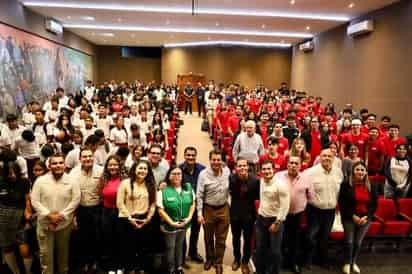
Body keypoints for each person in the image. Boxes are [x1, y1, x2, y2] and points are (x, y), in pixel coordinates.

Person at [30, 153, 81, 274]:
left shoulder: (72, 181)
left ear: (64, 165)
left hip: (64, 225)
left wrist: (61, 216)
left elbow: (76, 199)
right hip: (45, 225)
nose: (58, 165)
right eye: (54, 163)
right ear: (49, 166)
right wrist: (49, 215)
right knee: (46, 257)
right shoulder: (40, 181)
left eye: (60, 163)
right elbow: (35, 200)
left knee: (63, 255)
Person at [304, 149, 343, 268]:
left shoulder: (338, 172)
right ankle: (307, 259)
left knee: (324, 237)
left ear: (334, 158)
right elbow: (303, 191)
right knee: (310, 236)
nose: (327, 158)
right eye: (324, 156)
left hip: (330, 210)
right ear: (319, 157)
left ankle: (322, 260)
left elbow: (339, 191)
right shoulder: (310, 172)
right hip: (314, 210)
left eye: (329, 156)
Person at [116, 160, 157, 273]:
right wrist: (130, 218)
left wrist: (148, 218)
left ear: (148, 171)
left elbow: (153, 204)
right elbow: (120, 203)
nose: (142, 171)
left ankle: (140, 268)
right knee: (128, 247)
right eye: (140, 168)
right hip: (127, 219)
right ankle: (128, 268)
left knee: (143, 247)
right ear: (134, 169)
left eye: (145, 169)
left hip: (144, 220)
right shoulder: (125, 183)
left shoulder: (151, 185)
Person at [338, 161, 378, 274]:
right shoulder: (346, 185)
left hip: (365, 218)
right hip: (349, 217)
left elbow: (374, 204)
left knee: (357, 242)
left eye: (362, 170)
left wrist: (367, 216)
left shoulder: (371, 185)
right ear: (353, 171)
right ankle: (346, 263)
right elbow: (342, 203)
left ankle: (353, 262)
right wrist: (353, 216)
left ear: (365, 172)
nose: (360, 172)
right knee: (349, 241)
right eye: (357, 169)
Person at [69, 148, 103, 273]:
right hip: (81, 209)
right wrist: (73, 216)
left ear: (94, 157)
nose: (88, 158)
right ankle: (84, 263)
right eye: (85, 156)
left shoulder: (101, 171)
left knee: (97, 237)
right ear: (80, 159)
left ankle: (95, 262)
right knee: (82, 238)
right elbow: (70, 195)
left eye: (90, 156)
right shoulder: (73, 173)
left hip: (97, 208)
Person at [197, 149, 230, 274]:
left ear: (222, 161)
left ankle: (219, 262)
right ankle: (209, 259)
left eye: (218, 160)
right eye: (213, 160)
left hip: (223, 208)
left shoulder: (227, 171)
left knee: (221, 238)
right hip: (208, 209)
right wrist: (199, 214)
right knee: (208, 237)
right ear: (210, 160)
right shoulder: (203, 174)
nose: (216, 162)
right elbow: (199, 195)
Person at [157, 166, 196, 274]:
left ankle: (178, 267)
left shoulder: (188, 187)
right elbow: (160, 210)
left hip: (184, 225)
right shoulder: (163, 190)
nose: (177, 176)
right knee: (170, 248)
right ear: (168, 176)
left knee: (179, 246)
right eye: (173, 174)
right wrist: (172, 223)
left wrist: (189, 218)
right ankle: (171, 269)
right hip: (169, 226)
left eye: (179, 174)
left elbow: (193, 203)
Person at [278, 156, 313, 274]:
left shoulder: (306, 178)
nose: (293, 165)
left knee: (295, 240)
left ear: (300, 165)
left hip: (297, 215)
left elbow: (310, 195)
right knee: (282, 238)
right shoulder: (279, 176)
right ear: (287, 164)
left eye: (296, 163)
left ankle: (293, 263)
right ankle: (282, 262)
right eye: (291, 163)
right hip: (282, 214)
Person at [255, 160, 290, 274]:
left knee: (275, 251)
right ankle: (260, 271)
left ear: (273, 169)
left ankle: (274, 272)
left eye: (269, 169)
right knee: (260, 248)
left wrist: (277, 222)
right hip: (261, 219)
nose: (267, 171)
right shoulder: (261, 181)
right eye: (264, 169)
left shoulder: (281, 184)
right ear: (261, 171)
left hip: (275, 221)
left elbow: (285, 206)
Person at [0, 161, 32, 274]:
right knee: (6, 248)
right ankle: (15, 272)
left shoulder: (24, 182)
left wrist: (28, 218)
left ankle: (28, 272)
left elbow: (28, 200)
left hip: (20, 219)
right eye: (9, 173)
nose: (12, 175)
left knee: (25, 250)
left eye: (14, 172)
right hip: (3, 220)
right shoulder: (1, 182)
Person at [229, 158, 259, 274]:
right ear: (236, 168)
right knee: (235, 238)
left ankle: (245, 261)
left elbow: (257, 198)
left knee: (247, 240)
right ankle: (237, 259)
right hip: (235, 214)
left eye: (244, 166)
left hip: (249, 216)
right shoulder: (231, 179)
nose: (242, 168)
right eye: (239, 166)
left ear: (248, 167)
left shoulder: (255, 181)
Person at [178, 147, 205, 263]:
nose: (191, 157)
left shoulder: (202, 169)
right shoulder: (178, 169)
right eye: (188, 155)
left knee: (195, 230)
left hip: (197, 205)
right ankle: (182, 255)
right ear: (184, 156)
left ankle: (193, 252)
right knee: (182, 231)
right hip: (183, 206)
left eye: (193, 155)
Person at [99, 155, 124, 273]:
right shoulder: (103, 179)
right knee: (108, 240)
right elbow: (100, 196)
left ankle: (119, 266)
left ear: (119, 166)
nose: (113, 167)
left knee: (120, 240)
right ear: (107, 166)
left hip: (121, 213)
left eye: (115, 164)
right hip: (106, 212)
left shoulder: (124, 179)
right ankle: (110, 267)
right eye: (110, 165)